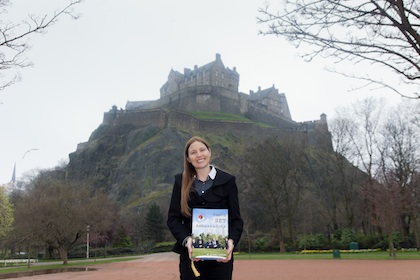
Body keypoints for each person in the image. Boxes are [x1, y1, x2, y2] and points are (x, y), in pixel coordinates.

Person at [167, 136, 243, 280]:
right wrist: (187, 240)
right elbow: (173, 219)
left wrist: (231, 242)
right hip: (190, 257)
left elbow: (236, 220)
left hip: (221, 258)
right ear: (188, 158)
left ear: (209, 152)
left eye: (202, 150)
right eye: (193, 152)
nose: (199, 155)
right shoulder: (180, 181)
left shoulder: (228, 181)